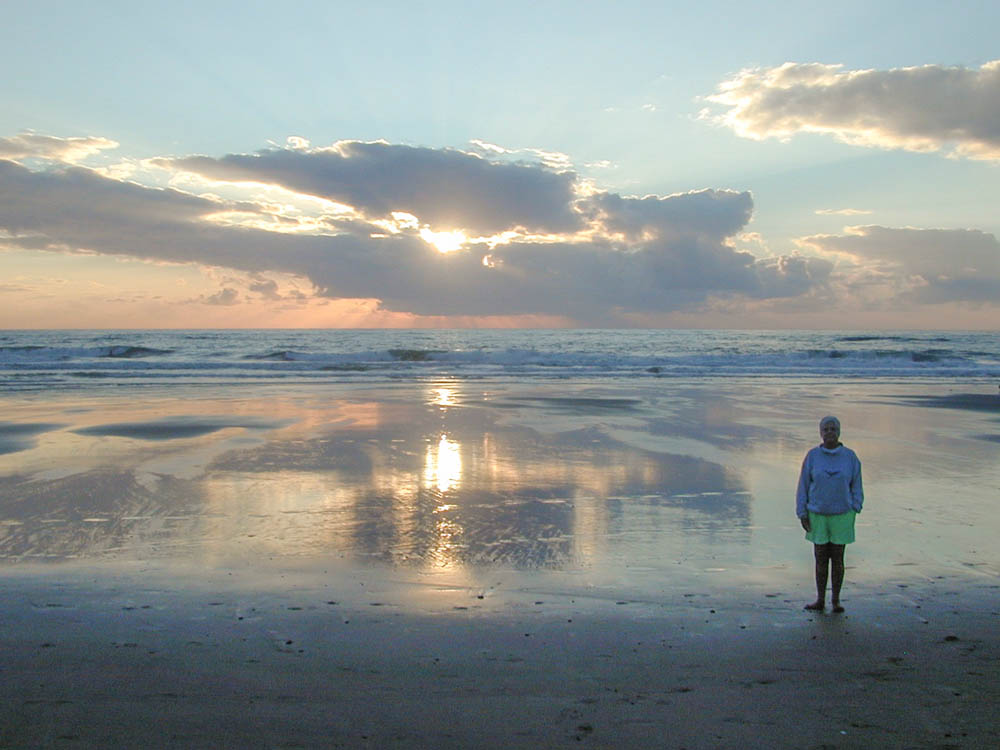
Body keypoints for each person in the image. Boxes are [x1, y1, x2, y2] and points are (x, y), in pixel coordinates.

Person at [796, 416, 863, 613]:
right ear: (820, 433)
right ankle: (820, 599)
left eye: (833, 429)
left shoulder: (850, 457)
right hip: (817, 514)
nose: (830, 432)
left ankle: (836, 601)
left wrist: (856, 505)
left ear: (839, 432)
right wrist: (802, 512)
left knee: (838, 558)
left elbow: (857, 484)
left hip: (842, 514)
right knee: (820, 558)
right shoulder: (812, 456)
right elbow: (803, 485)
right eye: (826, 429)